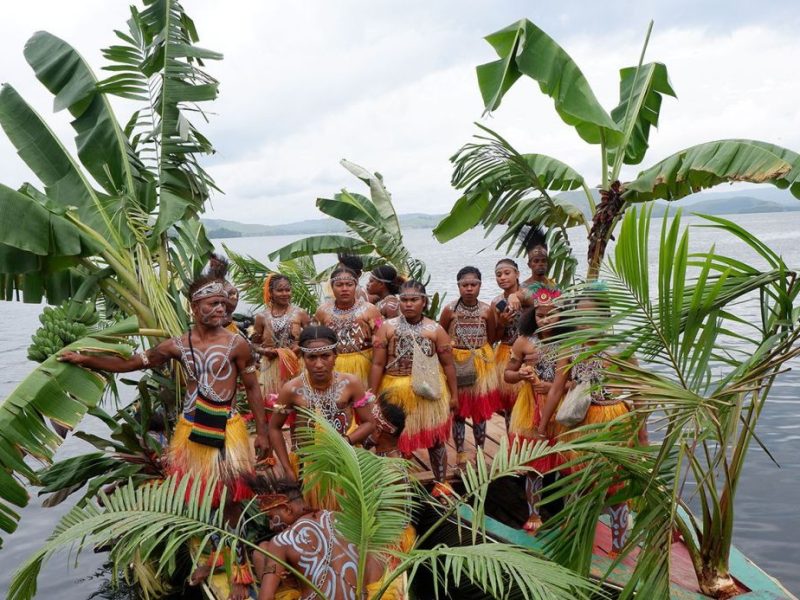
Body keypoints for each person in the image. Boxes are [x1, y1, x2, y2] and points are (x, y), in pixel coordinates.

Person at [59, 275, 269, 597]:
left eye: (224, 304)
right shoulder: (176, 345)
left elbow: (253, 388)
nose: (220, 309)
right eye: (213, 303)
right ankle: (215, 554)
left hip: (227, 428)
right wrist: (87, 360)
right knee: (200, 498)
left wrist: (264, 432)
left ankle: (239, 566)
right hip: (191, 429)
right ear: (194, 306)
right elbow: (130, 363)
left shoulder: (236, 343)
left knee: (231, 499)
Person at [536, 290, 648, 555]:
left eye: (593, 314)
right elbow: (555, 389)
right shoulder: (571, 347)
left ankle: (618, 547)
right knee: (575, 479)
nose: (586, 319)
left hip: (612, 421)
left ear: (605, 316)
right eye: (581, 314)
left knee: (613, 484)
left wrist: (642, 434)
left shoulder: (620, 347)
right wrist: (542, 426)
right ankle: (574, 538)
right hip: (579, 422)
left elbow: (639, 390)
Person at [369, 280, 458, 495]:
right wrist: (371, 394)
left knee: (435, 440)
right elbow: (378, 363)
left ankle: (440, 483)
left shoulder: (435, 329)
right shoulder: (388, 327)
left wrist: (454, 395)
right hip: (393, 389)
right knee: (390, 440)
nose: (408, 304)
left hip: (428, 391)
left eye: (414, 300)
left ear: (424, 302)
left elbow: (448, 364)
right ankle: (394, 487)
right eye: (404, 300)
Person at [252, 477, 401, 600]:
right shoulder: (345, 519)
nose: (271, 526)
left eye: (271, 518)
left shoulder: (281, 541)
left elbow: (265, 597)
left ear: (287, 509)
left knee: (260, 552)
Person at [268, 326, 376, 492]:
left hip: (346, 460)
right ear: (303, 358)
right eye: (312, 357)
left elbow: (369, 423)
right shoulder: (291, 389)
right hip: (308, 464)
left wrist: (346, 442)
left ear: (335, 356)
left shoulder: (351, 383)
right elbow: (274, 428)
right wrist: (288, 468)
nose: (319, 364)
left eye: (325, 356)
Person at [503, 295, 563, 535]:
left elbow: (578, 381)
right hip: (530, 405)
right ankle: (534, 512)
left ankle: (567, 512)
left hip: (561, 405)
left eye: (551, 314)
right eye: (540, 315)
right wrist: (521, 375)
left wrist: (552, 388)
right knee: (533, 463)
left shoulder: (570, 342)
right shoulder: (524, 342)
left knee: (566, 461)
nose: (545, 319)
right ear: (533, 316)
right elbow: (507, 374)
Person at [438, 267, 499, 469]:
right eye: (465, 285)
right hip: (457, 363)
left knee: (480, 410)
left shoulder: (486, 310)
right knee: (459, 411)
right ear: (459, 286)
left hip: (481, 361)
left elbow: (491, 338)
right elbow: (441, 335)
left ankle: (481, 452)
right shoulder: (449, 310)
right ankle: (461, 451)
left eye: (473, 285)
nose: (469, 289)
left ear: (480, 285)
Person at [314, 267, 382, 388]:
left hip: (364, 365)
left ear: (355, 286)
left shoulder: (370, 310)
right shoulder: (322, 311)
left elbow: (381, 344)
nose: (344, 289)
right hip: (333, 367)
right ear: (332, 286)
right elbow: (316, 343)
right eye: (339, 285)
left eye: (349, 284)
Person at [253, 274, 311, 401]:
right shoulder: (261, 317)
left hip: (295, 366)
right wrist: (265, 351)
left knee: (299, 405)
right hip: (271, 368)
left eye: (287, 290)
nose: (285, 293)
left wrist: (299, 347)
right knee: (273, 405)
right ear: (271, 292)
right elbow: (254, 344)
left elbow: (311, 339)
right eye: (280, 290)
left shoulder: (300, 313)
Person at [491, 258, 523, 430]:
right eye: (498, 275)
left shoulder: (528, 295)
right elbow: (494, 337)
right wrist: (502, 322)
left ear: (517, 274)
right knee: (509, 404)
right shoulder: (496, 303)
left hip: (527, 355)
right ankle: (512, 441)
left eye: (507, 273)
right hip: (505, 354)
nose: (502, 277)